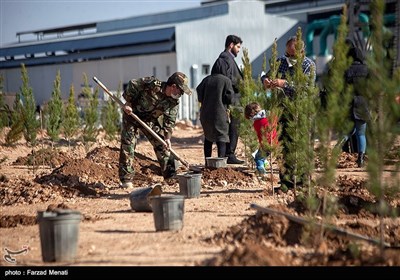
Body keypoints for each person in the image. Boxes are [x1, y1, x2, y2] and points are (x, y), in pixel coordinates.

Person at [119, 72, 192, 188]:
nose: (181, 94)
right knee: (128, 145)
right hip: (132, 115)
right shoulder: (152, 84)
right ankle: (126, 179)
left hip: (150, 121)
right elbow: (133, 84)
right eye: (180, 91)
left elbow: (170, 121)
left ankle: (171, 177)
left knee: (163, 145)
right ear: (173, 87)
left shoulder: (173, 102)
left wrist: (167, 138)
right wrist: (128, 102)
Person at [262, 36, 316, 188]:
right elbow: (266, 75)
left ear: (301, 52)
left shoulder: (308, 65)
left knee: (302, 147)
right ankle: (286, 182)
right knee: (284, 147)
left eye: (292, 55)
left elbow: (305, 88)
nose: (289, 58)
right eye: (287, 54)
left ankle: (303, 182)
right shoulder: (281, 62)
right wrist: (266, 80)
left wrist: (284, 84)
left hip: (302, 111)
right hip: (283, 110)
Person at [211, 34, 244, 164]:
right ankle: (229, 154)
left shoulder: (226, 60)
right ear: (231, 45)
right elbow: (226, 82)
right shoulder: (225, 60)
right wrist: (240, 85)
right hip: (230, 102)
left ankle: (228, 154)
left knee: (231, 128)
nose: (239, 50)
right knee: (232, 128)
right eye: (238, 47)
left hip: (230, 101)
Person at [337, 39, 370, 167]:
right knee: (361, 133)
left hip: (348, 103)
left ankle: (336, 149)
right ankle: (361, 160)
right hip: (362, 104)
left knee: (347, 132)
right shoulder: (366, 69)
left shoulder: (345, 70)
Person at [196, 74, 234, 163]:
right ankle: (220, 164)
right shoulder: (226, 80)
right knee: (221, 137)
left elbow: (199, 92)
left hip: (206, 114)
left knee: (208, 137)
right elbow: (230, 98)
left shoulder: (206, 80)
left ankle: (207, 162)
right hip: (220, 114)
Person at [244, 102, 278, 175]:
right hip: (276, 141)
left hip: (265, 144)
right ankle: (265, 164)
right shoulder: (270, 117)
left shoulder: (256, 123)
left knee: (258, 158)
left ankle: (261, 171)